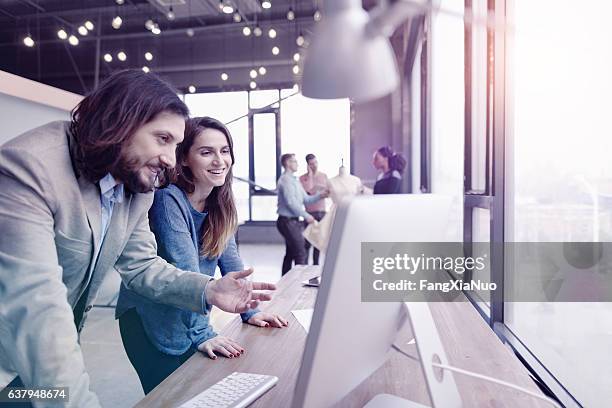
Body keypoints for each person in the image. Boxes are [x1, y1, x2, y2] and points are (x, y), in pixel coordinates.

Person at [0, 70, 275, 407]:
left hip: (42, 357)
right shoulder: (28, 169)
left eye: (176, 145)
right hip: (11, 360)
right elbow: (36, 308)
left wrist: (208, 289)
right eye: (162, 139)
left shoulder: (135, 183)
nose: (170, 160)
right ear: (119, 123)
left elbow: (142, 265)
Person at [116, 117, 289, 394]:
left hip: (187, 314)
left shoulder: (220, 200)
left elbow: (232, 263)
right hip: (149, 321)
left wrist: (251, 309)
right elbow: (186, 267)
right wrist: (202, 333)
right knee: (170, 399)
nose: (219, 160)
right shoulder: (168, 198)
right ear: (184, 159)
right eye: (206, 152)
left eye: (224, 151)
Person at [276, 153, 327, 275]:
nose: (297, 164)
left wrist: (321, 195)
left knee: (291, 252)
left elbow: (306, 199)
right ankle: (299, 284)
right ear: (288, 163)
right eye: (294, 161)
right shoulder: (285, 181)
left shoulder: (294, 180)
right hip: (286, 221)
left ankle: (284, 283)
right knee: (301, 252)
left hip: (293, 221)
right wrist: (307, 216)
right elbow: (291, 203)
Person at [299, 153, 329, 265]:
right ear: (307, 165)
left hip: (321, 213)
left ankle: (316, 267)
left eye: (316, 162)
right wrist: (311, 176)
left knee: (318, 243)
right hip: (309, 214)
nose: (315, 165)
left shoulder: (324, 176)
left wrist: (323, 193)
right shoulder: (303, 178)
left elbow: (328, 193)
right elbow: (306, 194)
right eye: (311, 164)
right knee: (307, 243)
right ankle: (305, 268)